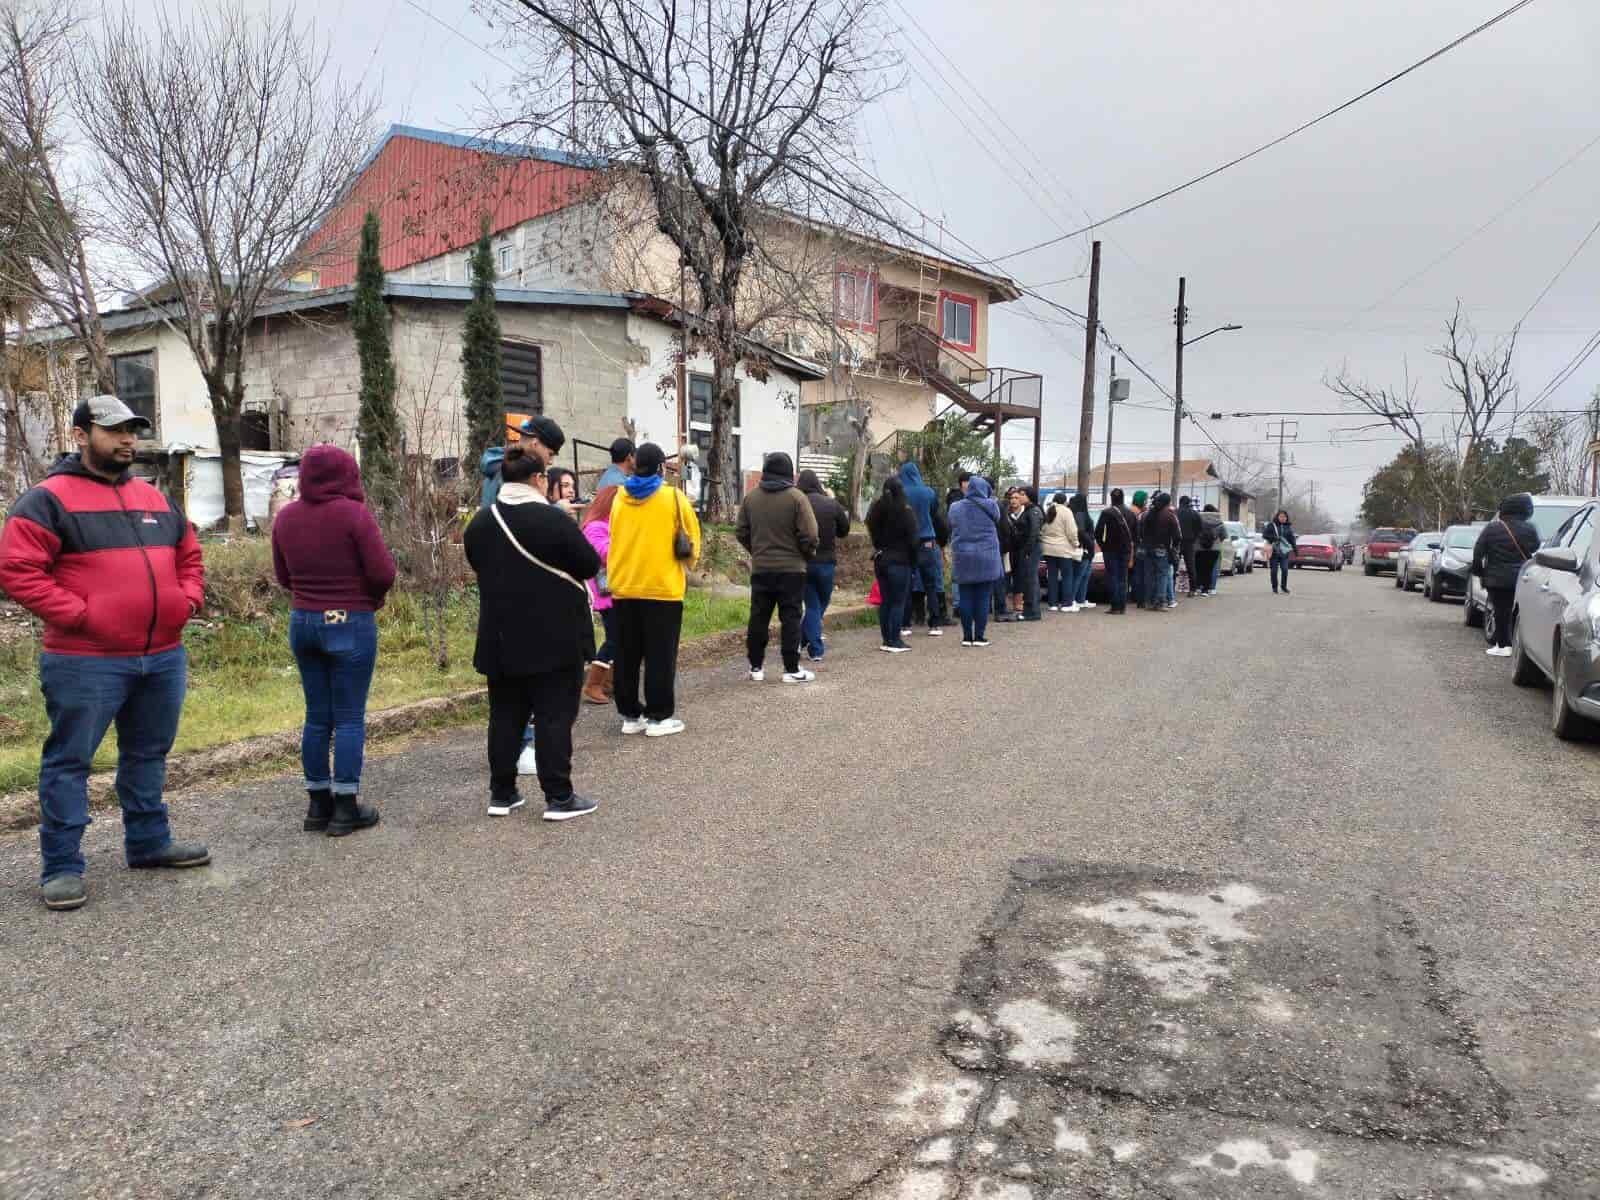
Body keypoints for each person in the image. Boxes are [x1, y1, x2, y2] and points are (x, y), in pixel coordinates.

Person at [0, 396, 210, 910]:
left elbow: (190, 555)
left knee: (147, 754)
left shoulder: (153, 497)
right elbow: (16, 569)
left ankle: (148, 842)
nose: (126, 440)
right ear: (80, 435)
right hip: (84, 660)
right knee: (70, 761)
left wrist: (187, 600)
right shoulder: (47, 500)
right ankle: (62, 867)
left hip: (162, 655)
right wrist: (80, 615)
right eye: (113, 430)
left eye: (132, 431)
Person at [464, 445, 600, 820]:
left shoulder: (480, 522)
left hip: (500, 637)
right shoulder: (552, 520)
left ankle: (502, 793)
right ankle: (559, 796)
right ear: (540, 479)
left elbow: (477, 563)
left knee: (505, 715)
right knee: (554, 715)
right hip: (554, 636)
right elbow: (589, 564)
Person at [271, 444, 396, 838]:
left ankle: (316, 803)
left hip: (303, 619)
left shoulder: (286, 518)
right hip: (349, 620)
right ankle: (345, 807)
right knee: (348, 717)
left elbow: (283, 576)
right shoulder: (353, 515)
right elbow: (383, 572)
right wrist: (368, 599)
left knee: (317, 716)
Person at [607, 442, 701, 735]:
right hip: (662, 589)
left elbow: (613, 535)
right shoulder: (673, 497)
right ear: (661, 467)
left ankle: (630, 716)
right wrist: (689, 562)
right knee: (660, 655)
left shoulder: (619, 498)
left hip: (624, 586)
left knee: (626, 655)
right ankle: (659, 717)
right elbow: (692, 543)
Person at [736, 452, 819, 684]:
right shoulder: (797, 498)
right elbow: (810, 534)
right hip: (792, 570)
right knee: (791, 618)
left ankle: (755, 667)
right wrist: (806, 554)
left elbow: (741, 531)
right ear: (789, 471)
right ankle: (791, 669)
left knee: (759, 617)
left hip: (761, 569)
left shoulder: (751, 498)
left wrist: (758, 551)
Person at [1471, 492, 1540, 657]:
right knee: (1515, 611)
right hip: (1521, 578)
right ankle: (1515, 644)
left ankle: (1503, 645)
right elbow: (1535, 547)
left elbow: (1478, 551)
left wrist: (1479, 572)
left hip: (1496, 579)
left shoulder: (1493, 527)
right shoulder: (1530, 528)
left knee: (1501, 611)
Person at [797, 469, 851, 662]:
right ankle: (816, 648)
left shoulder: (798, 503)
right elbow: (844, 530)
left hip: (804, 563)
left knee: (813, 605)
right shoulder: (831, 503)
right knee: (820, 604)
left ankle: (799, 641)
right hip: (827, 563)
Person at [866, 475, 919, 653]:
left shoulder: (876, 510)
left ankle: (886, 639)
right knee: (898, 602)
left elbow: (872, 532)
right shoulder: (905, 511)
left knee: (886, 601)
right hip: (900, 561)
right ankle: (895, 640)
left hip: (881, 559)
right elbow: (913, 541)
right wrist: (914, 562)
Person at [948, 477, 1004, 645]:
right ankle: (979, 636)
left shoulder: (955, 507)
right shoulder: (991, 504)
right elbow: (998, 519)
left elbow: (951, 524)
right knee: (983, 597)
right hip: (987, 557)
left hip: (963, 556)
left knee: (965, 597)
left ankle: (966, 637)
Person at [580, 485, 621, 704]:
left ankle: (609, 682)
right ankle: (593, 684)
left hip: (615, 589)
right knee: (615, 639)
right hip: (606, 591)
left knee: (620, 638)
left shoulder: (608, 525)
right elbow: (605, 554)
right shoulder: (595, 527)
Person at [897, 462, 946, 637]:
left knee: (907, 584)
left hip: (906, 542)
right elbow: (934, 512)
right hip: (928, 542)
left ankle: (905, 625)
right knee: (931, 584)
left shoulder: (900, 493)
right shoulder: (929, 492)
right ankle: (934, 624)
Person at [1039, 490, 1082, 612]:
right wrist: (1076, 544)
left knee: (1052, 576)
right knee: (1067, 576)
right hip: (1063, 549)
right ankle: (1066, 604)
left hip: (1048, 549)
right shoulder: (1066, 512)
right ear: (1065, 501)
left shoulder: (1049, 511)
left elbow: (1043, 529)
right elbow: (1072, 531)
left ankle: (1052, 604)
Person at [1094, 487, 1135, 615]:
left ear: (1111, 498)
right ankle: (1122, 605)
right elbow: (1135, 534)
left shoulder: (1107, 513)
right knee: (1123, 577)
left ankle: (1115, 606)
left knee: (1112, 577)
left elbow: (1098, 532)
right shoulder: (1130, 513)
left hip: (1110, 549)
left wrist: (1103, 545)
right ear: (1123, 497)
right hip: (1125, 550)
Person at [1141, 492, 1181, 611]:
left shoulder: (1149, 514)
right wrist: (1174, 547)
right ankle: (1160, 602)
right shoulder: (1169, 516)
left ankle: (1149, 601)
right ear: (1168, 503)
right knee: (1162, 575)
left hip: (1148, 549)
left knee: (1150, 575)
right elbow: (1177, 536)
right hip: (1162, 549)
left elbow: (1142, 532)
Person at [1068, 493, 1097, 610]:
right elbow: (1081, 531)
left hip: (1085, 548)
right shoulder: (1080, 514)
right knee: (1079, 575)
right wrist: (1090, 544)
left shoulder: (1078, 513)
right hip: (1083, 548)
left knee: (1085, 575)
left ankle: (1081, 599)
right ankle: (1072, 600)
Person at [1265, 508, 1297, 595]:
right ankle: (1274, 587)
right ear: (1277, 517)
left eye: (1285, 517)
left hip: (1284, 553)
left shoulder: (1288, 527)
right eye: (1281, 516)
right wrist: (1274, 538)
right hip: (1274, 551)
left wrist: (1295, 549)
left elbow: (1292, 539)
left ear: (1287, 518)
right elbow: (1265, 535)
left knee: (1285, 569)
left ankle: (1283, 586)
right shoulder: (1271, 525)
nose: (1283, 518)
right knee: (1274, 571)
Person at [1196, 504, 1225, 597]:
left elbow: (1194, 532)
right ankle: (1207, 589)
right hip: (1214, 549)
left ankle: (1198, 587)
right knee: (1210, 569)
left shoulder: (1198, 519)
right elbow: (1224, 536)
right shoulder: (1219, 521)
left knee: (1199, 568)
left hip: (1199, 548)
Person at [1177, 496, 1202, 598]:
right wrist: (1194, 537)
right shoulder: (1194, 513)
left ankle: (1171, 587)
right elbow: (1199, 528)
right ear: (1189, 503)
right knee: (1191, 566)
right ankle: (1193, 589)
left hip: (1177, 542)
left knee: (1173, 565)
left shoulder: (1175, 512)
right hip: (1190, 542)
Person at [1129, 489, 1150, 609]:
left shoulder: (1130, 511)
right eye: (1145, 500)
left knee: (1135, 574)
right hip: (1136, 548)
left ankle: (1135, 595)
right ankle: (1139, 597)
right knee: (1139, 573)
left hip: (1131, 547)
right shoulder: (1137, 514)